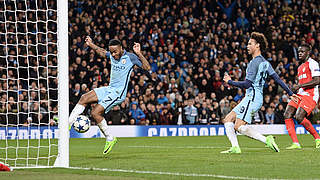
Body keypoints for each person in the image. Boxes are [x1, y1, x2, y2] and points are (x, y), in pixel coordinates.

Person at [68, 36, 150, 155]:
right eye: (111, 52)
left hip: (118, 93)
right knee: (84, 98)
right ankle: (68, 123)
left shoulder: (131, 57)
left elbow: (147, 67)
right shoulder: (112, 54)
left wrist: (139, 53)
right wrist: (91, 44)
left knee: (95, 113)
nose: (113, 54)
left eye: (115, 52)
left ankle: (110, 138)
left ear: (121, 48)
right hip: (109, 89)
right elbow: (101, 51)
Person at [221, 32, 298, 154]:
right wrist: (289, 92)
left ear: (257, 45)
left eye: (250, 43)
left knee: (238, 126)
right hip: (253, 97)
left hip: (252, 97)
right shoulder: (265, 62)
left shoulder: (254, 63)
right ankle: (235, 147)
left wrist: (230, 81)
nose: (247, 46)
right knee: (228, 119)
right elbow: (277, 79)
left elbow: (247, 84)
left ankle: (266, 139)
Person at [284, 43, 320, 149]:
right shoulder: (300, 67)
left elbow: (317, 80)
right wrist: (295, 92)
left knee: (299, 117)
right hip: (301, 94)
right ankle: (296, 143)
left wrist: (300, 85)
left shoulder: (313, 63)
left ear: (308, 53)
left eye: (302, 52)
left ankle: (318, 138)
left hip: (311, 94)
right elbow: (302, 83)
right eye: (299, 51)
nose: (300, 53)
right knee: (287, 114)